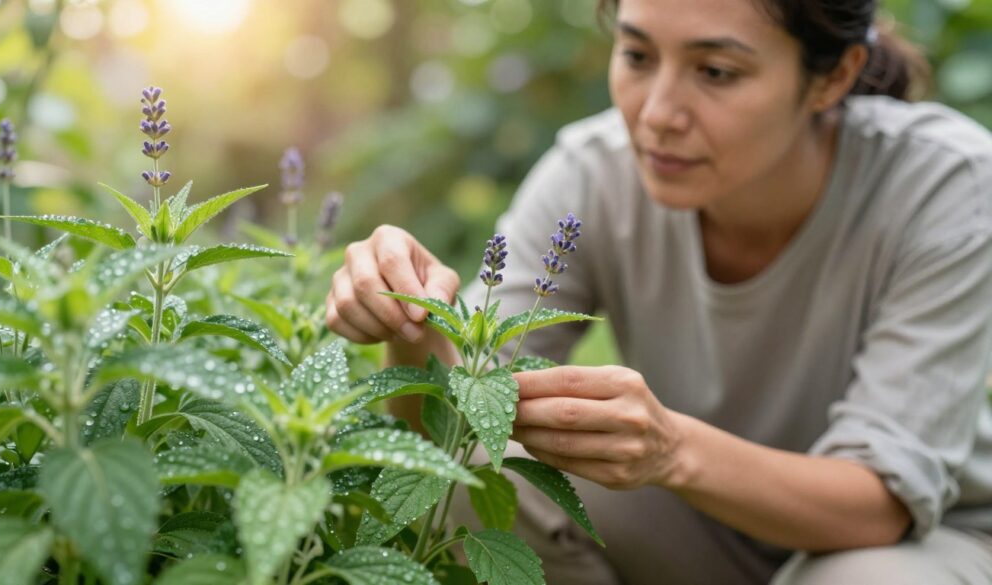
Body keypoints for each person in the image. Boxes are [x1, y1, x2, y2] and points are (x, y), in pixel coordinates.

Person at [324, 0, 992, 582]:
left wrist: (672, 449)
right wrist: (409, 326)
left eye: (716, 72)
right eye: (638, 55)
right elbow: (459, 429)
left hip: (910, 544)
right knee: (479, 485)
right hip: (691, 531)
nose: (658, 114)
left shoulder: (944, 184)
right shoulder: (590, 174)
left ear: (834, 76)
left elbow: (880, 504)